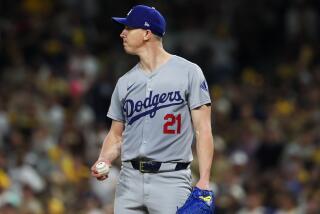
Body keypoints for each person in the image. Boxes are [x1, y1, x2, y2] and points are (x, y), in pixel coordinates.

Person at [91, 4, 214, 214]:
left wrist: (204, 179)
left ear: (147, 33)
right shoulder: (125, 82)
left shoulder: (189, 72)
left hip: (171, 179)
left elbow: (203, 130)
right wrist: (104, 158)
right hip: (128, 180)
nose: (122, 33)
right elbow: (116, 135)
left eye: (129, 28)